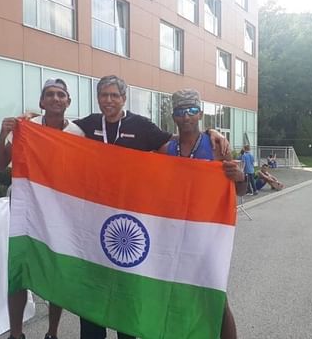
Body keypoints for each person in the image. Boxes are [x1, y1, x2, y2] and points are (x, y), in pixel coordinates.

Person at [74, 75, 233, 339]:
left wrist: (210, 133)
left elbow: (181, 141)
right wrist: (32, 120)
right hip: (100, 220)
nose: (109, 100)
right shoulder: (88, 125)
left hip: (174, 225)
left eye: (115, 95)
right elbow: (56, 131)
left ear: (124, 98)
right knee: (102, 286)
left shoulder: (144, 127)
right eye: (104, 95)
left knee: (211, 292)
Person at [0, 78, 84, 339]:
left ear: (69, 102)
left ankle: (52, 333)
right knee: (19, 270)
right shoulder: (25, 128)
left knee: (57, 271)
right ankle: (17, 334)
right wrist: (2, 133)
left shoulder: (78, 134)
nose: (56, 98)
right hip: (25, 211)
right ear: (41, 102)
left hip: (60, 214)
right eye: (50, 94)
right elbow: (0, 165)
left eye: (61, 95)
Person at [167, 89, 246, 339]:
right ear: (174, 117)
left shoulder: (216, 146)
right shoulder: (167, 147)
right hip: (176, 234)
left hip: (208, 234)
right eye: (181, 112)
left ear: (200, 113)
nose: (186, 116)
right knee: (179, 296)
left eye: (191, 110)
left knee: (215, 298)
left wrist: (241, 177)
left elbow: (240, 189)